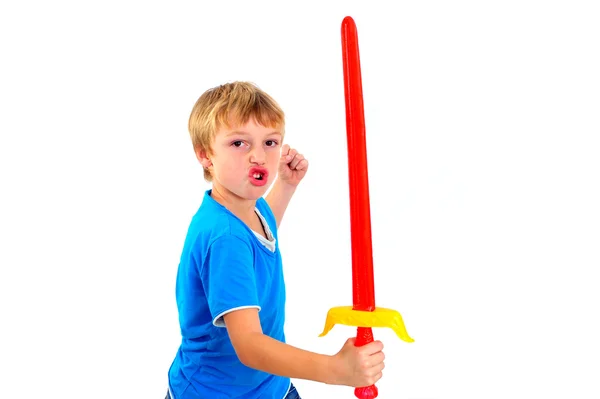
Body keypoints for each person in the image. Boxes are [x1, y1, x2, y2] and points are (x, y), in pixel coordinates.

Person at [166, 81, 386, 399]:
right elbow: (251, 346)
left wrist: (285, 185)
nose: (259, 156)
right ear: (205, 155)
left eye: (270, 142)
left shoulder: (246, 208)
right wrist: (336, 370)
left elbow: (263, 231)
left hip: (269, 386)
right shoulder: (225, 239)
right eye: (239, 143)